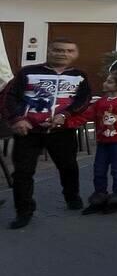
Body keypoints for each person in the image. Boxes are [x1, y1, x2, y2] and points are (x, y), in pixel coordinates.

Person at [3, 39, 91, 229]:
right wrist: (17, 119)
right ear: (49, 51)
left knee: (68, 167)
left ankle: (72, 196)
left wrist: (66, 115)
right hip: (28, 131)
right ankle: (24, 211)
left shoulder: (80, 76)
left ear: (75, 54)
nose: (63, 54)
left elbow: (84, 100)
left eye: (69, 50)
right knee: (23, 173)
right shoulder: (27, 72)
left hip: (61, 131)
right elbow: (8, 97)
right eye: (58, 50)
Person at [67, 70, 117, 213]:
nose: (105, 83)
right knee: (99, 169)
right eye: (107, 80)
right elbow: (88, 115)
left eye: (110, 82)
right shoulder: (101, 101)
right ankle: (100, 195)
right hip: (103, 140)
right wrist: (69, 122)